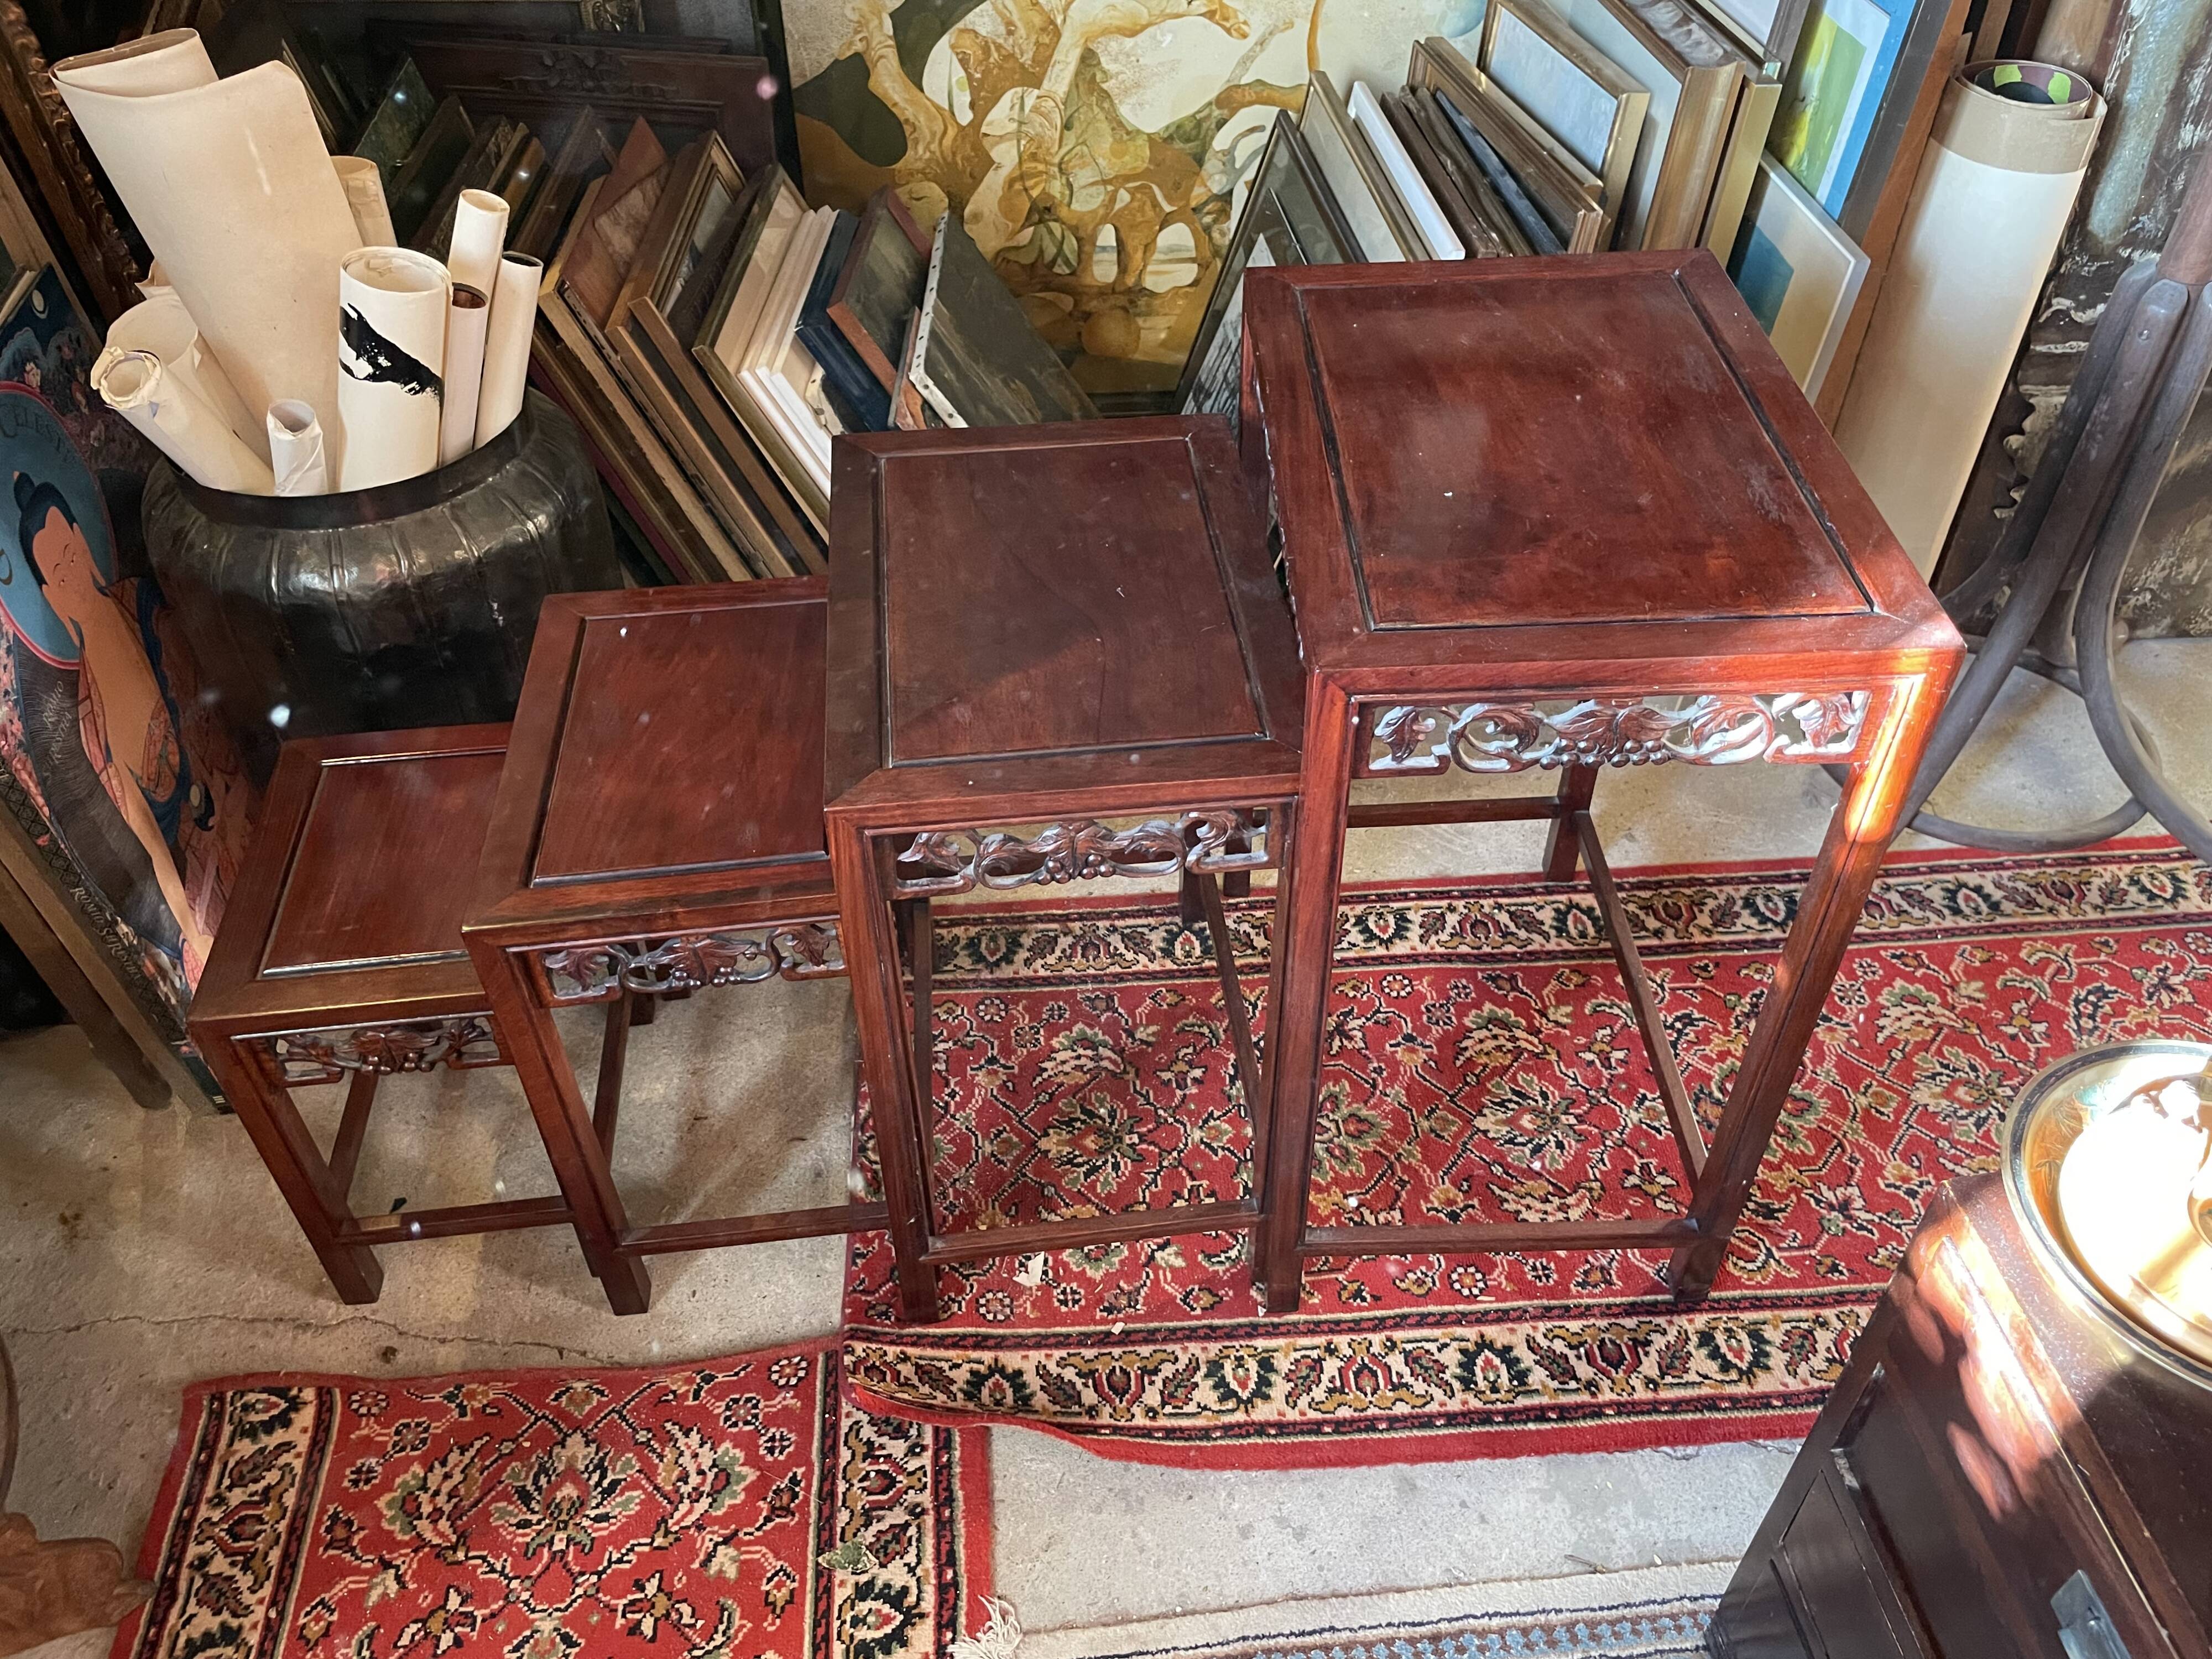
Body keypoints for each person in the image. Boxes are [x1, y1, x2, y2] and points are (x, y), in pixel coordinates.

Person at [14, 471, 212, 974]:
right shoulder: (92, 722)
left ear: (84, 541)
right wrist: (193, 933)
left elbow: (212, 707)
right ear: (50, 597)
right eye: (58, 576)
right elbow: (151, 846)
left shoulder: (142, 604)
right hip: (200, 873)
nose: (73, 574)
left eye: (72, 554)